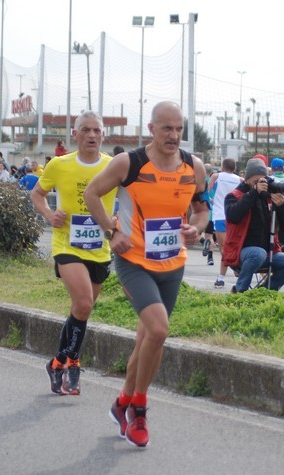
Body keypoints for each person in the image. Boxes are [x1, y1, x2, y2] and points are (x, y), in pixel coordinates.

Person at [84, 100, 208, 448]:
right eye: (166, 128)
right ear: (151, 129)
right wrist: (113, 231)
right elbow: (92, 193)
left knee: (147, 340)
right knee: (158, 329)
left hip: (173, 262)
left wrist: (196, 229)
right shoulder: (130, 163)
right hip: (133, 260)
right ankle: (139, 407)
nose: (174, 135)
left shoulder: (192, 166)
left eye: (179, 128)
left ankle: (122, 402)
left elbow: (202, 209)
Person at [30, 111, 118, 396]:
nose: (92, 135)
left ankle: (63, 361)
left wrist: (118, 222)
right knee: (82, 302)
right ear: (75, 135)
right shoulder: (59, 164)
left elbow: (134, 197)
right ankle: (66, 363)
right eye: (86, 130)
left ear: (103, 135)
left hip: (100, 247)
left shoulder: (112, 166)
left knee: (83, 309)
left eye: (97, 130)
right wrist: (48, 214)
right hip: (67, 245)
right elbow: (37, 194)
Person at [223, 158, 284, 293]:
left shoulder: (268, 197)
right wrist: (254, 193)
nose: (261, 185)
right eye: (256, 181)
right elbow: (233, 216)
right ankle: (239, 291)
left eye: (263, 181)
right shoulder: (234, 196)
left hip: (267, 253)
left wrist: (281, 206)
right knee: (258, 253)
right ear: (247, 179)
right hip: (240, 252)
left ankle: (264, 292)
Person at [208, 158, 241, 288]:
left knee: (224, 248)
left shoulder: (216, 176)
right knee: (233, 246)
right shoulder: (240, 179)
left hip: (220, 215)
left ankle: (225, 275)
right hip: (235, 215)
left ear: (222, 166)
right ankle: (232, 271)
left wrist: (210, 200)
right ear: (234, 168)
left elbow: (206, 191)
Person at [200, 163, 216, 266]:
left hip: (202, 212)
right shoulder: (215, 183)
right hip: (213, 213)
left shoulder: (201, 182)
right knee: (210, 236)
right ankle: (210, 259)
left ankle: (202, 241)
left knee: (196, 232)